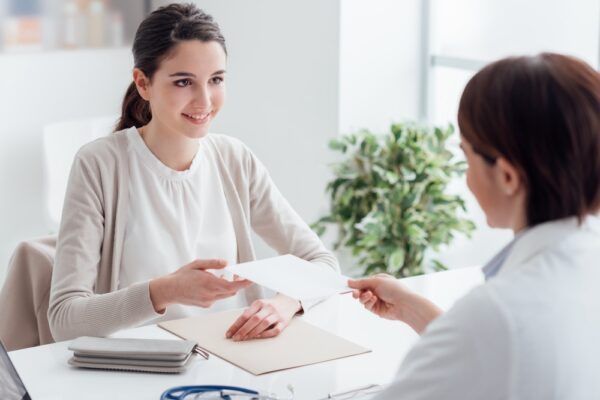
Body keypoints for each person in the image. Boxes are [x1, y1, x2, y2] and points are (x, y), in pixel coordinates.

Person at [48, 3, 338, 342]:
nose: (205, 101)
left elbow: (322, 263)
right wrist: (163, 292)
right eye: (184, 82)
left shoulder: (234, 160)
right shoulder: (100, 165)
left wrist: (287, 303)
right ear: (143, 83)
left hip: (234, 359)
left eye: (216, 80)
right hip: (137, 370)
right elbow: (64, 319)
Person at [349, 53, 600, 399]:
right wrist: (412, 307)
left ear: (508, 176)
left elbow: (493, 338)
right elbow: (498, 354)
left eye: (466, 157)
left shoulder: (497, 313)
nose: (465, 178)